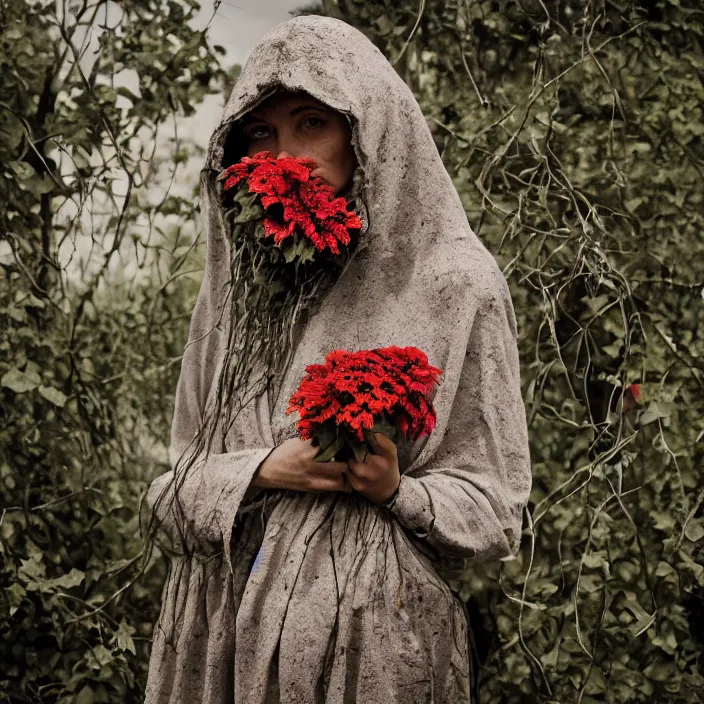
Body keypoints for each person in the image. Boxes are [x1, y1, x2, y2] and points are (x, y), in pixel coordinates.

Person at [145, 14, 532, 704]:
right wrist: (266, 470)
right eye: (259, 134)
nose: (287, 157)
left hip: (371, 653)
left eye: (311, 123)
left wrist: (396, 488)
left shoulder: (452, 282)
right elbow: (170, 492)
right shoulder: (242, 291)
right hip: (218, 641)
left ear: (369, 131)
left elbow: (496, 509)